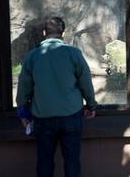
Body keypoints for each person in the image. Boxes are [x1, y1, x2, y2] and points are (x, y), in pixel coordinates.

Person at [16, 16, 98, 177]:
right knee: (72, 161)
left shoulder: (32, 56)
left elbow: (23, 87)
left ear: (44, 33)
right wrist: (91, 105)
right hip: (71, 115)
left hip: (43, 116)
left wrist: (22, 112)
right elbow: (86, 82)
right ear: (64, 34)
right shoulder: (74, 54)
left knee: (44, 162)